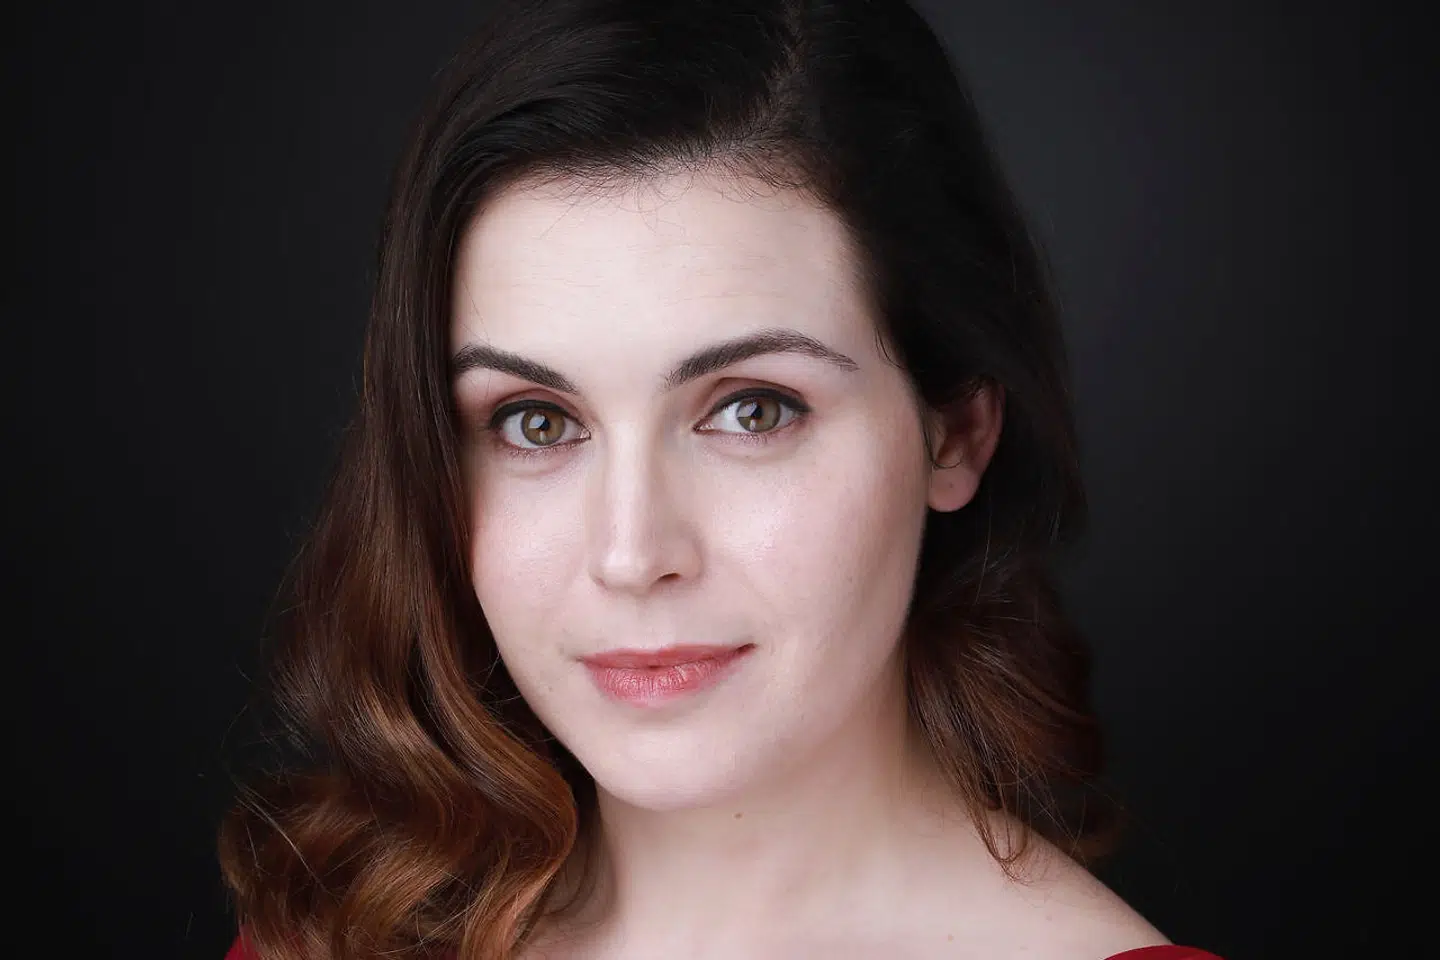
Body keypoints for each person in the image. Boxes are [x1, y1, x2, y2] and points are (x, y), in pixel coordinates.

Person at [219, 1, 1224, 957]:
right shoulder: (333, 937)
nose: (632, 554)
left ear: (954, 432)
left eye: (753, 410)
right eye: (537, 422)